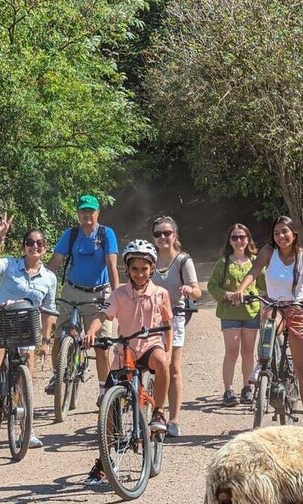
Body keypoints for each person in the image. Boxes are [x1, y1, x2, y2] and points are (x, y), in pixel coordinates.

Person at [82, 239, 172, 486]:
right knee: (108, 407)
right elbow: (103, 315)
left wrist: (169, 351)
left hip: (150, 346)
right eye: (135, 269)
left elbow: (168, 324)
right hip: (125, 350)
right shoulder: (119, 293)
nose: (140, 273)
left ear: (152, 269)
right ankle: (104, 460)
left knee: (162, 362)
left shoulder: (160, 293)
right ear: (127, 270)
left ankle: (159, 413)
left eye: (144, 268)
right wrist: (91, 330)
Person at [0, 215, 57, 453]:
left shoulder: (49, 278)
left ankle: (28, 429)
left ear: (45, 247)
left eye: (39, 242)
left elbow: (49, 311)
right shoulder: (11, 265)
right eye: (30, 242)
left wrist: (46, 341)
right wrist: (0, 236)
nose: (35, 246)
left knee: (24, 379)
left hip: (26, 328)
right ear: (23, 246)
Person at [232, 216, 303, 428]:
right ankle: (262, 363)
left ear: (293, 234)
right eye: (276, 233)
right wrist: (241, 289)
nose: (280, 236)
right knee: (270, 320)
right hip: (274, 304)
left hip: (298, 306)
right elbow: (253, 272)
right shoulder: (268, 253)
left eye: (284, 232)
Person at [46, 195, 119, 406]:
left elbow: (112, 266)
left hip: (98, 294)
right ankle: (57, 374)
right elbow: (55, 263)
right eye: (82, 211)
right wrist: (39, 284)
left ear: (97, 213)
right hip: (71, 290)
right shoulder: (71, 234)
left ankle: (103, 389)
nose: (87, 215)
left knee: (101, 344)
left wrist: (116, 296)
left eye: (91, 211)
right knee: (59, 336)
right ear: (77, 213)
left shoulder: (106, 234)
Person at [150, 215, 202, 437]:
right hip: (149, 318)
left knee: (173, 368)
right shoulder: (148, 259)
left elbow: (198, 291)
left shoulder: (183, 261)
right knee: (150, 365)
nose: (163, 237)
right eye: (158, 234)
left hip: (174, 318)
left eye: (167, 233)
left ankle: (173, 419)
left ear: (175, 236)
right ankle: (153, 412)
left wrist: (190, 291)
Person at [207, 223, 266, 407]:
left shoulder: (256, 262)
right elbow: (212, 286)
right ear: (229, 241)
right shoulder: (223, 263)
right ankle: (228, 390)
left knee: (248, 351)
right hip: (229, 312)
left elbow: (264, 286)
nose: (239, 240)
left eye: (242, 237)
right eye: (234, 237)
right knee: (231, 351)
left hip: (251, 312)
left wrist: (257, 297)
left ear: (248, 239)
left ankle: (247, 387)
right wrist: (226, 294)